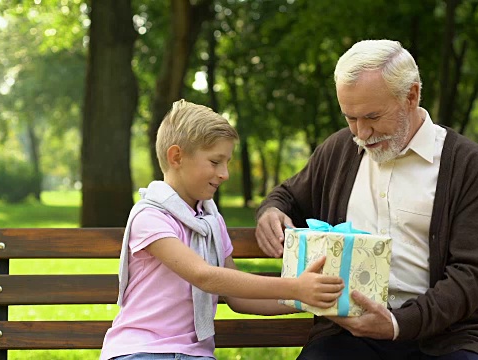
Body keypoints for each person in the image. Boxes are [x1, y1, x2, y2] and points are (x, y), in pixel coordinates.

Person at [255, 40, 478, 359]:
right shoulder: (339, 150)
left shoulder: (466, 163)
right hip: (348, 333)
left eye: (373, 116)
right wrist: (271, 210)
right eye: (350, 118)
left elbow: (473, 274)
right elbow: (288, 195)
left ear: (411, 95)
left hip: (444, 335)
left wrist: (398, 323)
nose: (361, 132)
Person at [100, 99, 344, 360]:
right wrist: (294, 287)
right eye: (216, 162)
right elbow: (203, 275)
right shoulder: (151, 217)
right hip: (141, 350)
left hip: (196, 356)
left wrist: (308, 299)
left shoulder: (211, 221)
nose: (225, 173)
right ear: (176, 157)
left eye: (227, 162)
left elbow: (238, 298)